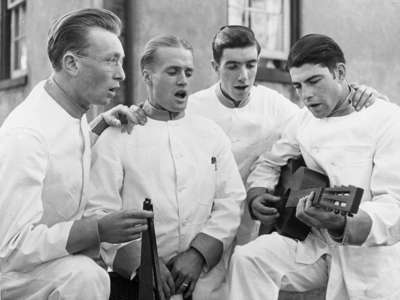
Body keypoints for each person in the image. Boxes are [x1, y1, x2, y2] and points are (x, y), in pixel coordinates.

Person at [228, 33, 400, 300]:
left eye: (314, 81)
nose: (306, 95)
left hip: (369, 257)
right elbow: (270, 161)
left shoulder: (387, 119)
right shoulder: (302, 121)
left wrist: (342, 223)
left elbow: (395, 205)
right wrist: (257, 194)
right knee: (249, 259)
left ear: (340, 72)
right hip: (315, 245)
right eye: (298, 86)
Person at [0, 8, 151, 300]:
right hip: (14, 275)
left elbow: (60, 156)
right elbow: (12, 246)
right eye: (111, 60)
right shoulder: (26, 136)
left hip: (43, 264)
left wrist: (99, 125)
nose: (121, 74)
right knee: (86, 277)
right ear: (71, 63)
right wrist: (97, 230)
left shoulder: (69, 109)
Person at [85, 35, 245, 300]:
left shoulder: (211, 134)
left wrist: (198, 255)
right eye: (172, 71)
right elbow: (99, 209)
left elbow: (231, 200)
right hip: (135, 285)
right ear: (148, 77)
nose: (183, 79)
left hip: (203, 281)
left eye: (188, 72)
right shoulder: (119, 135)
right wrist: (143, 262)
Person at [186, 25, 379, 245]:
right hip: (200, 226)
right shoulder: (191, 109)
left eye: (251, 65)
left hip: (253, 227)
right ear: (215, 66)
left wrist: (364, 95)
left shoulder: (277, 105)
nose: (243, 76)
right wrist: (138, 114)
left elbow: (329, 121)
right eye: (232, 66)